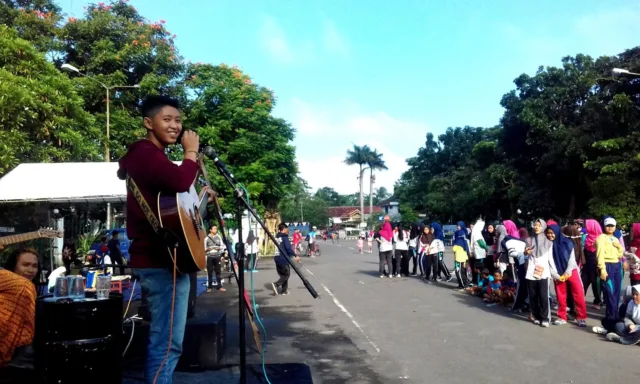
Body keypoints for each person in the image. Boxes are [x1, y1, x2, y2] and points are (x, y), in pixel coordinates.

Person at [117, 95, 214, 384]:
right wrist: (192, 152)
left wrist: (202, 201)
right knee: (167, 342)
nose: (175, 126)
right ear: (148, 123)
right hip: (161, 262)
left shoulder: (153, 157)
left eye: (178, 120)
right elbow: (179, 181)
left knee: (168, 340)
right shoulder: (144, 153)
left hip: (168, 260)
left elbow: (175, 204)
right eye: (167, 119)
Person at [545, 224, 587, 327]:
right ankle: (562, 316)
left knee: (578, 293)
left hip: (571, 271)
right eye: (548, 233)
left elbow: (572, 260)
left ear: (557, 232)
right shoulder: (547, 245)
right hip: (557, 273)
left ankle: (581, 317)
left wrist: (567, 272)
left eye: (552, 233)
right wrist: (555, 274)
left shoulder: (568, 243)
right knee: (561, 295)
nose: (550, 235)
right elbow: (548, 262)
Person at [524, 219, 557, 328]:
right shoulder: (528, 240)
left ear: (543, 227)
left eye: (539, 225)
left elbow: (550, 259)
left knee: (543, 296)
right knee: (533, 296)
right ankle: (536, 316)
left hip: (544, 272)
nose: (537, 227)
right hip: (531, 271)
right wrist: (526, 253)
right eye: (535, 225)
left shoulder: (548, 242)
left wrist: (555, 273)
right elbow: (525, 256)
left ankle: (545, 318)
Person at [597, 217, 624, 330]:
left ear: (615, 227)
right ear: (604, 226)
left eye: (612, 225)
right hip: (607, 266)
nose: (610, 227)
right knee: (610, 293)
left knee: (616, 294)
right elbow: (599, 255)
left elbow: (620, 255)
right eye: (608, 225)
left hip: (617, 265)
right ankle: (611, 320)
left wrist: (619, 247)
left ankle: (613, 319)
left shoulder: (615, 238)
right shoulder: (601, 238)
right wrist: (602, 269)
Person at [271, 223, 300, 295]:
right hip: (283, 258)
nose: (288, 231)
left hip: (277, 257)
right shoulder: (284, 237)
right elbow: (288, 248)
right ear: (284, 229)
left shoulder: (277, 237)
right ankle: (276, 284)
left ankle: (284, 291)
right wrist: (295, 255)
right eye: (287, 229)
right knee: (286, 275)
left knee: (283, 275)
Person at [583, 219, 604, 309]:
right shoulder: (585, 237)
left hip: (596, 265)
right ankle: (579, 300)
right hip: (586, 265)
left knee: (596, 285)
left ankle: (597, 301)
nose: (586, 227)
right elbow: (582, 249)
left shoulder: (602, 238)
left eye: (587, 226)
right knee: (583, 283)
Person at [205, 225, 226, 293]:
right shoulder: (206, 238)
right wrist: (207, 249)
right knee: (209, 272)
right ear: (210, 230)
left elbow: (222, 246)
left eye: (216, 229)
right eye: (214, 229)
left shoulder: (218, 237)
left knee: (218, 272)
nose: (215, 230)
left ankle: (219, 286)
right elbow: (204, 248)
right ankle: (209, 287)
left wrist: (219, 248)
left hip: (217, 256)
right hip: (210, 256)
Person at [452, 222, 470, 290]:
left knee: (458, 272)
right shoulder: (465, 241)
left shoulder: (457, 243)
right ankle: (464, 284)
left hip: (458, 259)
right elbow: (467, 249)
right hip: (464, 258)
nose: (458, 227)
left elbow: (454, 249)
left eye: (459, 226)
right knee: (463, 272)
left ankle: (462, 285)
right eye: (457, 226)